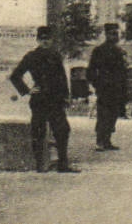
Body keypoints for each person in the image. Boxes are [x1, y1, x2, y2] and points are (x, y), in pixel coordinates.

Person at [8, 26, 79, 173]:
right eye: (42, 39)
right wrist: (27, 90)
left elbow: (62, 78)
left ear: (52, 40)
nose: (45, 42)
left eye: (48, 39)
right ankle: (40, 164)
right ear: (38, 40)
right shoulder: (31, 56)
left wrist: (65, 96)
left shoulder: (56, 56)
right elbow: (15, 76)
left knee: (63, 130)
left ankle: (63, 164)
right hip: (39, 99)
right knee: (38, 132)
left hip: (56, 100)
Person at [88, 23, 129, 152]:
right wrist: (97, 84)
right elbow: (91, 71)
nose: (115, 36)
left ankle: (107, 140)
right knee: (103, 115)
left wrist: (124, 88)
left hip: (117, 88)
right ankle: (99, 141)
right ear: (106, 35)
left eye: (116, 34)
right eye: (112, 33)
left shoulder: (120, 51)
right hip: (105, 88)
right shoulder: (99, 51)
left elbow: (123, 72)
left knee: (114, 114)